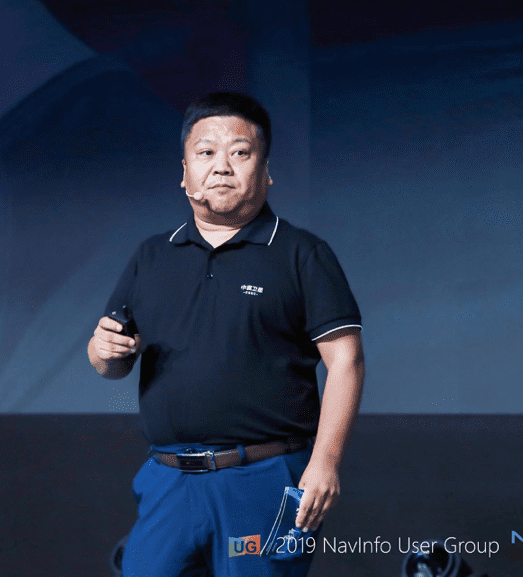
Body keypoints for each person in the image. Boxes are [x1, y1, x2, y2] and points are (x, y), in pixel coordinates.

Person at [88, 92, 364, 577]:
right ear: (184, 172)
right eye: (206, 152)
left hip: (263, 478)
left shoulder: (301, 254)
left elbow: (346, 361)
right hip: (168, 481)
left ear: (266, 171)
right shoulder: (152, 255)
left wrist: (325, 462)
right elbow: (111, 362)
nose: (221, 166)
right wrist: (102, 350)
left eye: (240, 152)